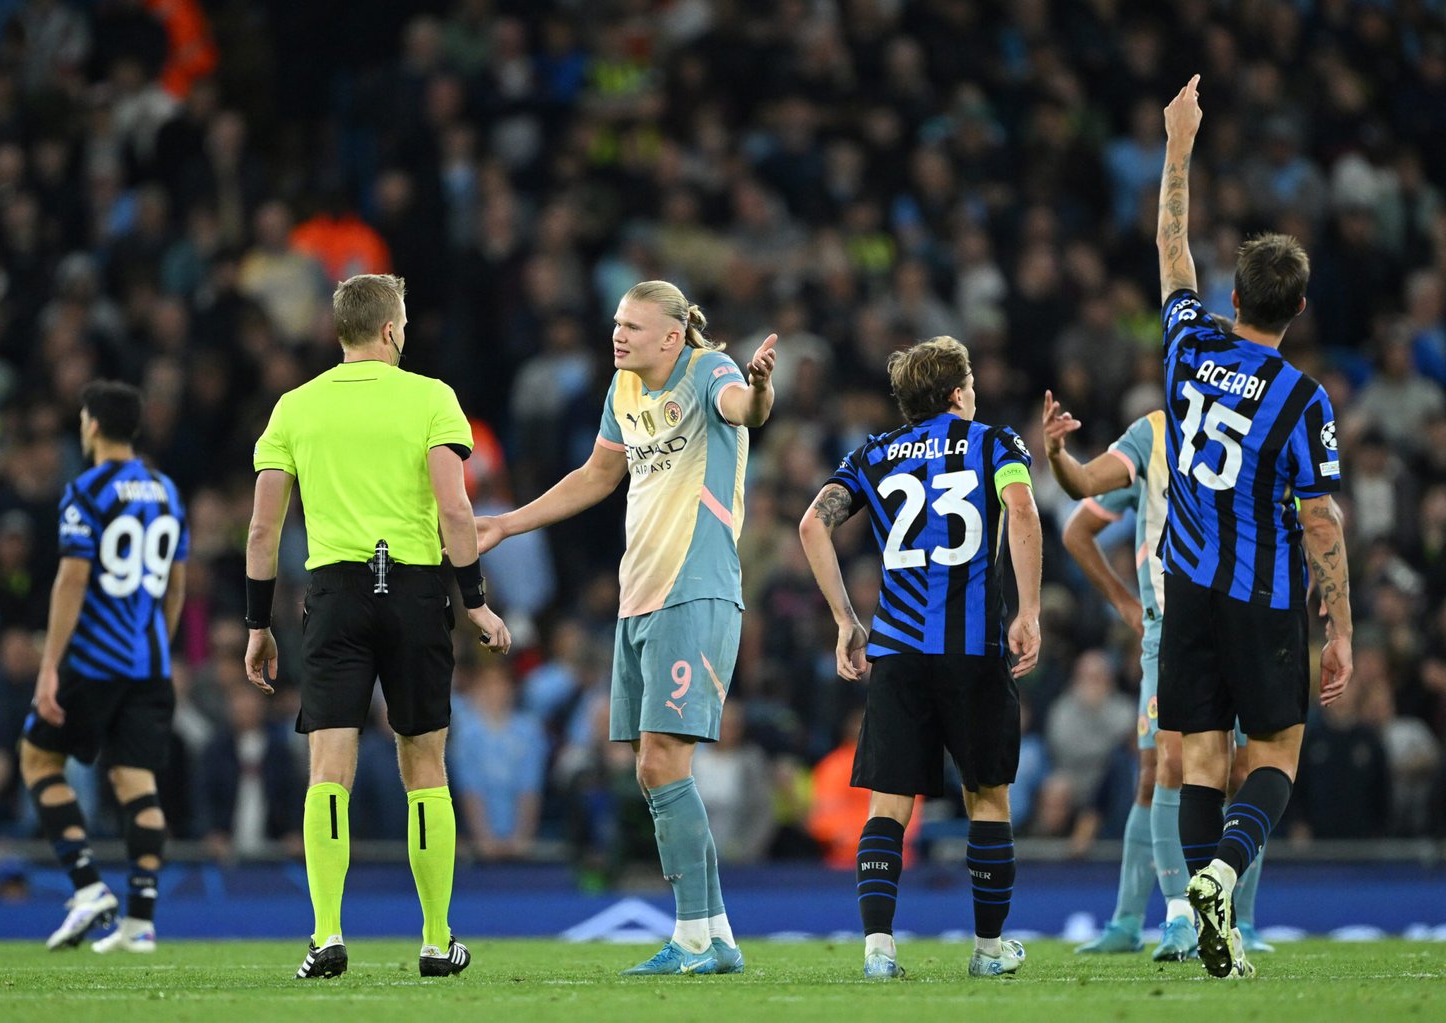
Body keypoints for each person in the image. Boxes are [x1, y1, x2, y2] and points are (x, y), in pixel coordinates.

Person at [476, 280, 777, 976]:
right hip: (638, 597)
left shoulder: (710, 372)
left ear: (672, 337)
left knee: (658, 761)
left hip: (694, 588)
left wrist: (761, 390)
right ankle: (715, 933)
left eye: (634, 327)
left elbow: (745, 410)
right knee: (656, 768)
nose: (619, 335)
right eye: (617, 323)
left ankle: (698, 937)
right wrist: (507, 522)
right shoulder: (623, 392)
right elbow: (595, 476)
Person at [243, 273, 512, 981]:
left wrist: (255, 624)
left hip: (334, 591)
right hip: (416, 587)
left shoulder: (295, 407)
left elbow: (264, 527)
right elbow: (456, 511)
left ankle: (326, 932)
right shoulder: (431, 397)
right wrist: (476, 600)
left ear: (340, 331)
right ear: (392, 329)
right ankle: (434, 937)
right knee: (424, 764)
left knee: (329, 766)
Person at [1148, 75, 1351, 978]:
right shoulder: (1302, 397)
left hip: (1186, 583)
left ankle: (1208, 935)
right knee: (1274, 751)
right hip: (1262, 593)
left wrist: (1179, 141)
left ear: (1234, 297)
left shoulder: (1190, 346)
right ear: (1298, 311)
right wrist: (1340, 629)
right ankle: (1224, 878)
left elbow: (1169, 245)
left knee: (1199, 756)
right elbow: (1320, 518)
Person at [796, 336, 1042, 980]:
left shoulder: (872, 455)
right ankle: (988, 953)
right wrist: (1030, 610)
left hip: (898, 650)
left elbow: (810, 525)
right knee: (987, 797)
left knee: (888, 804)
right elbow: (1021, 508)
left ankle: (879, 952)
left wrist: (846, 621)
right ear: (958, 391)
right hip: (971, 649)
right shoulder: (995, 443)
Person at [18, 380, 189, 954]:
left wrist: (49, 667)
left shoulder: (86, 490)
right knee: (135, 781)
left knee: (39, 759)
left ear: (91, 424)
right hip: (149, 667)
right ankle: (140, 922)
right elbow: (176, 585)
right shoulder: (167, 491)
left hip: (93, 661)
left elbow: (72, 578)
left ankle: (88, 886)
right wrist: (156, 647)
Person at [1043, 403, 1200, 960]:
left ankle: (1240, 922)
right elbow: (1078, 525)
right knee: (1159, 768)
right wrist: (1126, 606)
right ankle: (1143, 918)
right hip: (1169, 631)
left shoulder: (1254, 426)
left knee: (1234, 773)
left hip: (1238, 627)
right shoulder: (1151, 435)